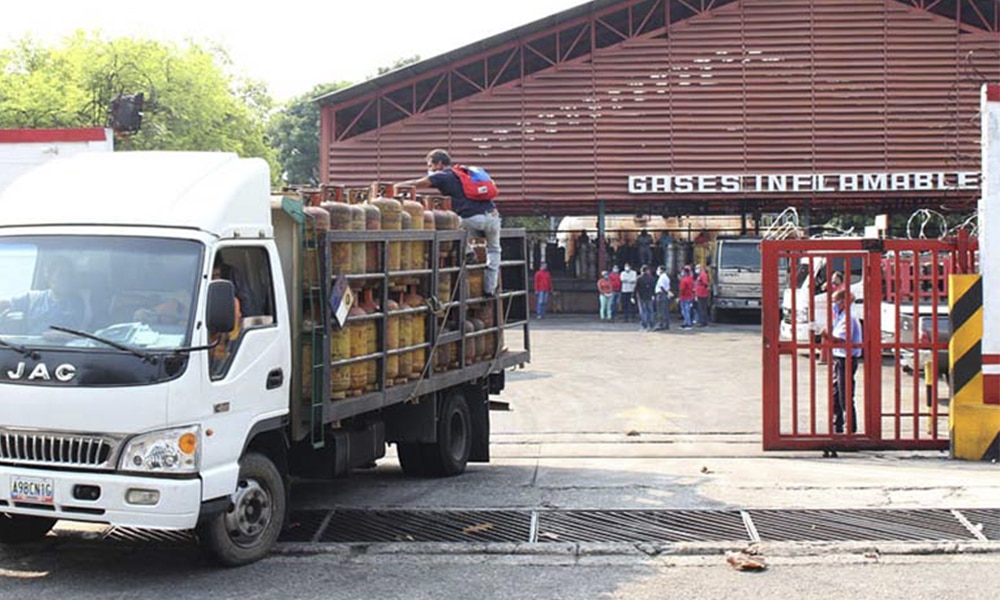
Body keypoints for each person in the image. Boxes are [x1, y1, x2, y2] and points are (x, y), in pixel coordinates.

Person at [396, 149, 501, 296]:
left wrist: (395, 187)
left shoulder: (443, 176)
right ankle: (490, 288)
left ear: (439, 163)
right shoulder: (463, 174)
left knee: (451, 225)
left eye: (430, 165)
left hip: (468, 219)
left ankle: (468, 252)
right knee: (494, 250)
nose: (429, 169)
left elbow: (417, 183)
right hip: (492, 217)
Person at [0, 256, 85, 335]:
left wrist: (64, 335)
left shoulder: (82, 303)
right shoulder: (34, 298)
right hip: (30, 348)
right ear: (49, 277)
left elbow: (88, 334)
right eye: (61, 275)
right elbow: (6, 303)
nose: (66, 279)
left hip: (68, 348)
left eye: (69, 275)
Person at [822, 289, 862, 434]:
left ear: (844, 302)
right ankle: (837, 426)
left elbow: (842, 341)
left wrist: (825, 335)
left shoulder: (848, 318)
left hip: (846, 359)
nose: (833, 304)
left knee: (845, 394)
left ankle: (849, 428)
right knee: (836, 393)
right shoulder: (840, 316)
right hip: (839, 358)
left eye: (835, 301)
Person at [635, 265, 657, 332]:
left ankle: (644, 326)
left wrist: (633, 296)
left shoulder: (639, 278)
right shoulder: (651, 278)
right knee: (650, 311)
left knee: (643, 311)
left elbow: (636, 288)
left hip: (641, 297)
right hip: (649, 296)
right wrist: (653, 295)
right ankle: (651, 325)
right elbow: (653, 288)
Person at [653, 265, 673, 331]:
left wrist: (666, 293)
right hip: (664, 294)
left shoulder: (662, 277)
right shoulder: (665, 277)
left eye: (658, 270)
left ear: (661, 270)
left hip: (661, 294)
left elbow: (662, 287)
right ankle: (665, 324)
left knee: (661, 310)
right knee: (664, 310)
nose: (657, 271)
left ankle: (661, 324)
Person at [678, 265, 695, 330]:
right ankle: (686, 322)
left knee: (685, 311)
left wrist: (679, 297)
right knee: (687, 310)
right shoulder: (690, 279)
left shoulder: (684, 280)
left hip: (684, 297)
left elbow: (682, 289)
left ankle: (688, 323)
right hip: (689, 296)